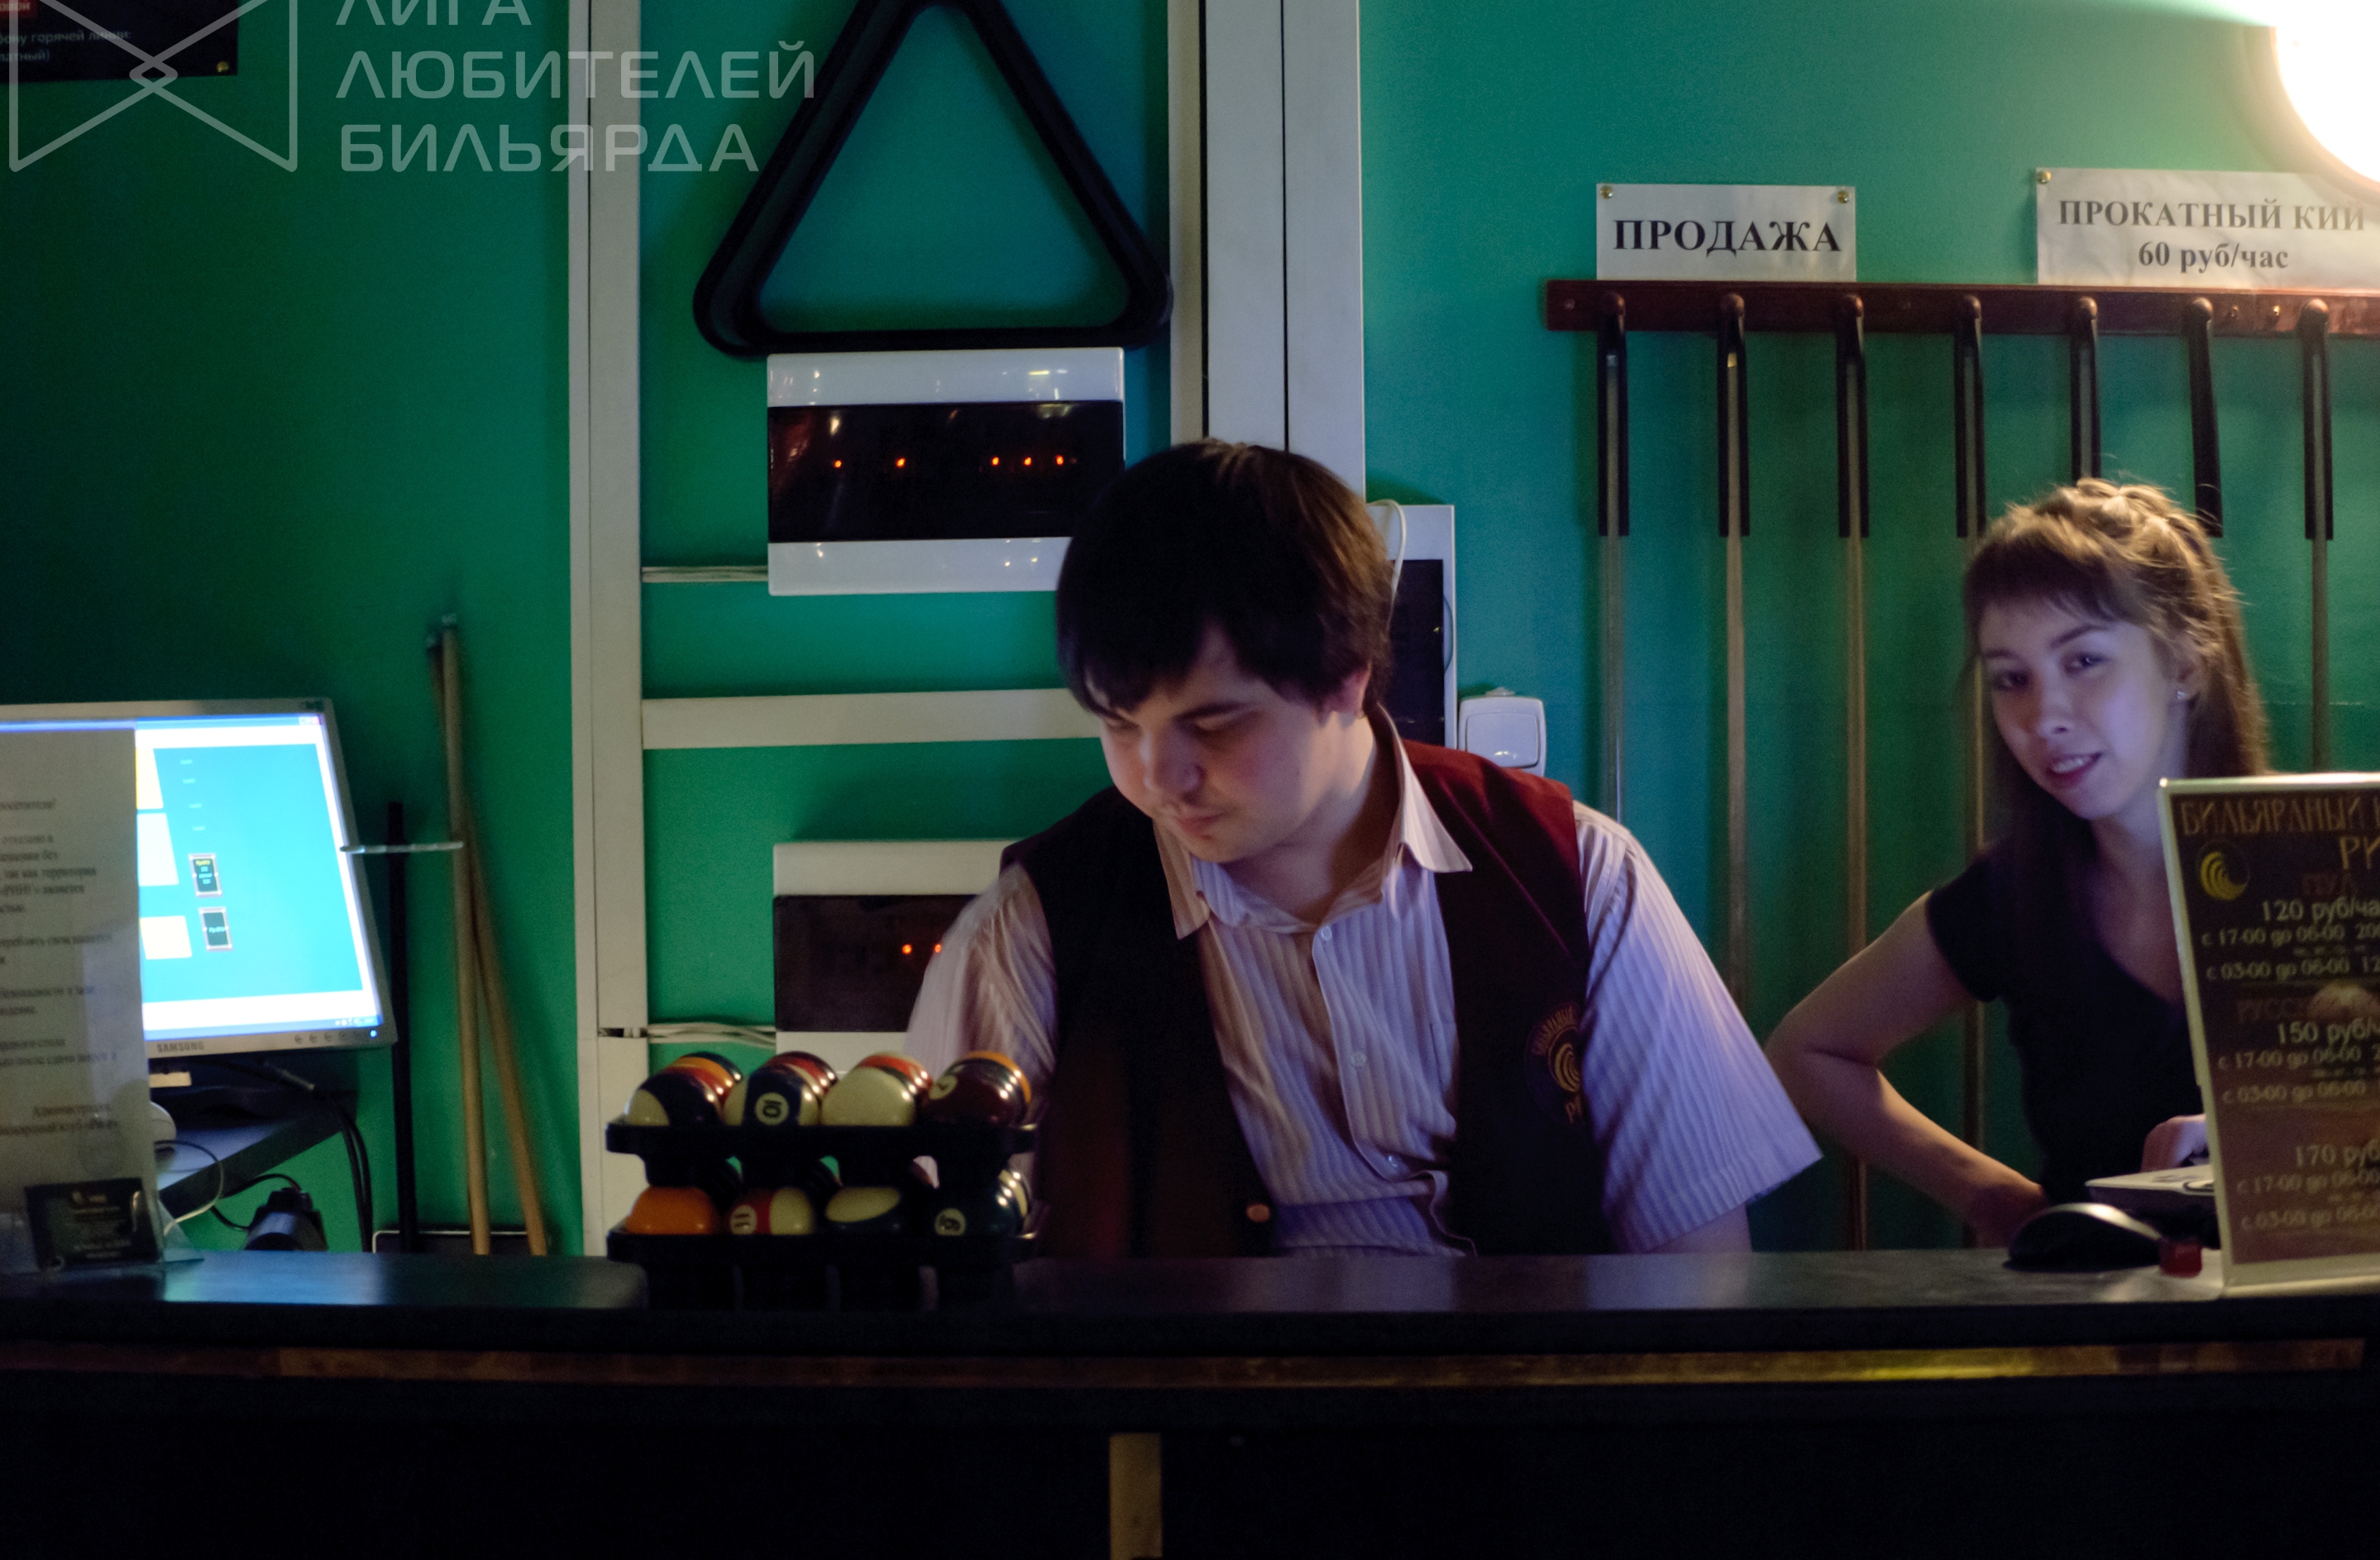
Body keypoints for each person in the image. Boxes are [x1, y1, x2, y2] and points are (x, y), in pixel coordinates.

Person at [906, 440, 1815, 1257]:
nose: (1157, 777)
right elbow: (950, 1266)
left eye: (1213, 725)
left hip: (1527, 1391)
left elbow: (1696, 1271)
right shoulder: (1032, 929)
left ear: (1346, 676)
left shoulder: (1581, 879)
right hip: (1181, 1397)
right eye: (1117, 724)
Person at [1766, 481, 2269, 1244]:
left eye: (2085, 660)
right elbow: (1806, 1051)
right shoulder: (2012, 893)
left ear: (2187, 664)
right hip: (2091, 1309)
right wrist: (1989, 1196)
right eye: (2012, 678)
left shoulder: (2335, 859)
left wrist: (2264, 1138)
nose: (2044, 716)